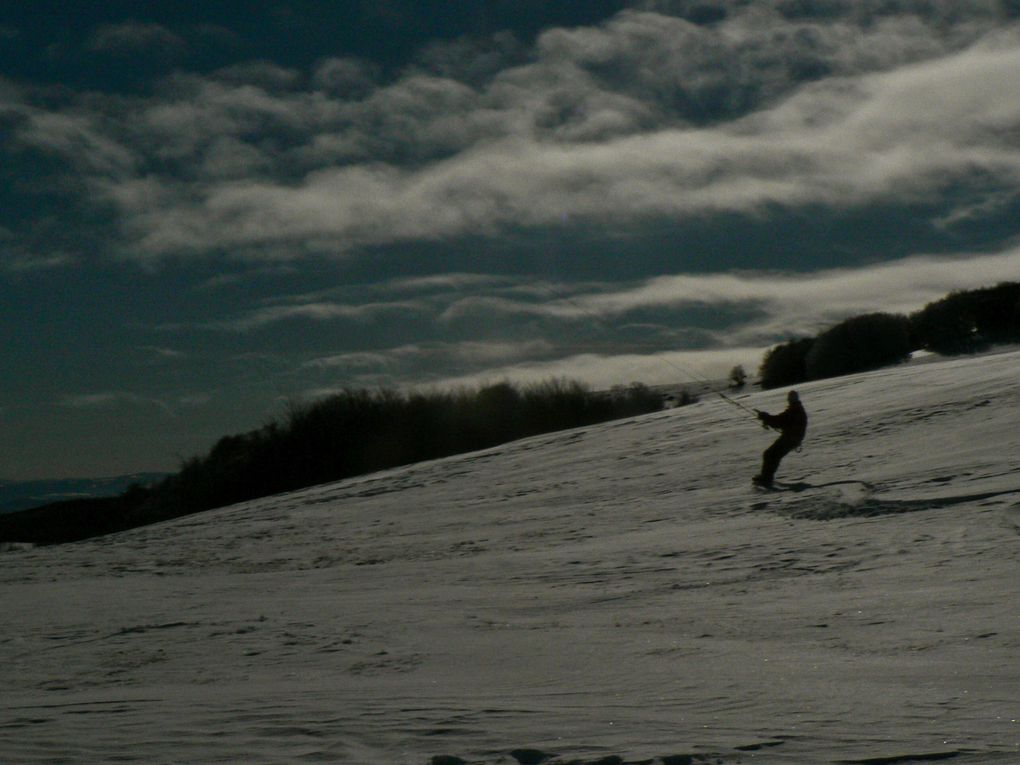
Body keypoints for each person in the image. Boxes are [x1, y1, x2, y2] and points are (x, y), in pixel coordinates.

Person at [753, 390, 807, 488]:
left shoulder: (795, 410)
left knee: (770, 454)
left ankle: (766, 478)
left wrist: (766, 417)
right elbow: (780, 421)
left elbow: (779, 421)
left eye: (790, 398)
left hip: (790, 439)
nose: (789, 400)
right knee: (772, 455)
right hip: (791, 438)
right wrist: (767, 418)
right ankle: (767, 477)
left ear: (792, 399)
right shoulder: (796, 409)